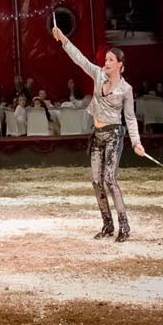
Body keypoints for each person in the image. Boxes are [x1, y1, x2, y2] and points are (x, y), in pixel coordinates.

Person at [53, 27, 145, 242]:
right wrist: (63, 39)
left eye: (111, 59)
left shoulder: (126, 89)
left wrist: (137, 143)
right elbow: (80, 59)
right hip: (97, 134)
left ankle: (124, 225)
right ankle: (107, 224)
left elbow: (130, 118)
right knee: (96, 181)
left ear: (120, 64)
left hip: (114, 134)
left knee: (110, 180)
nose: (106, 62)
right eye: (106, 59)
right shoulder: (98, 74)